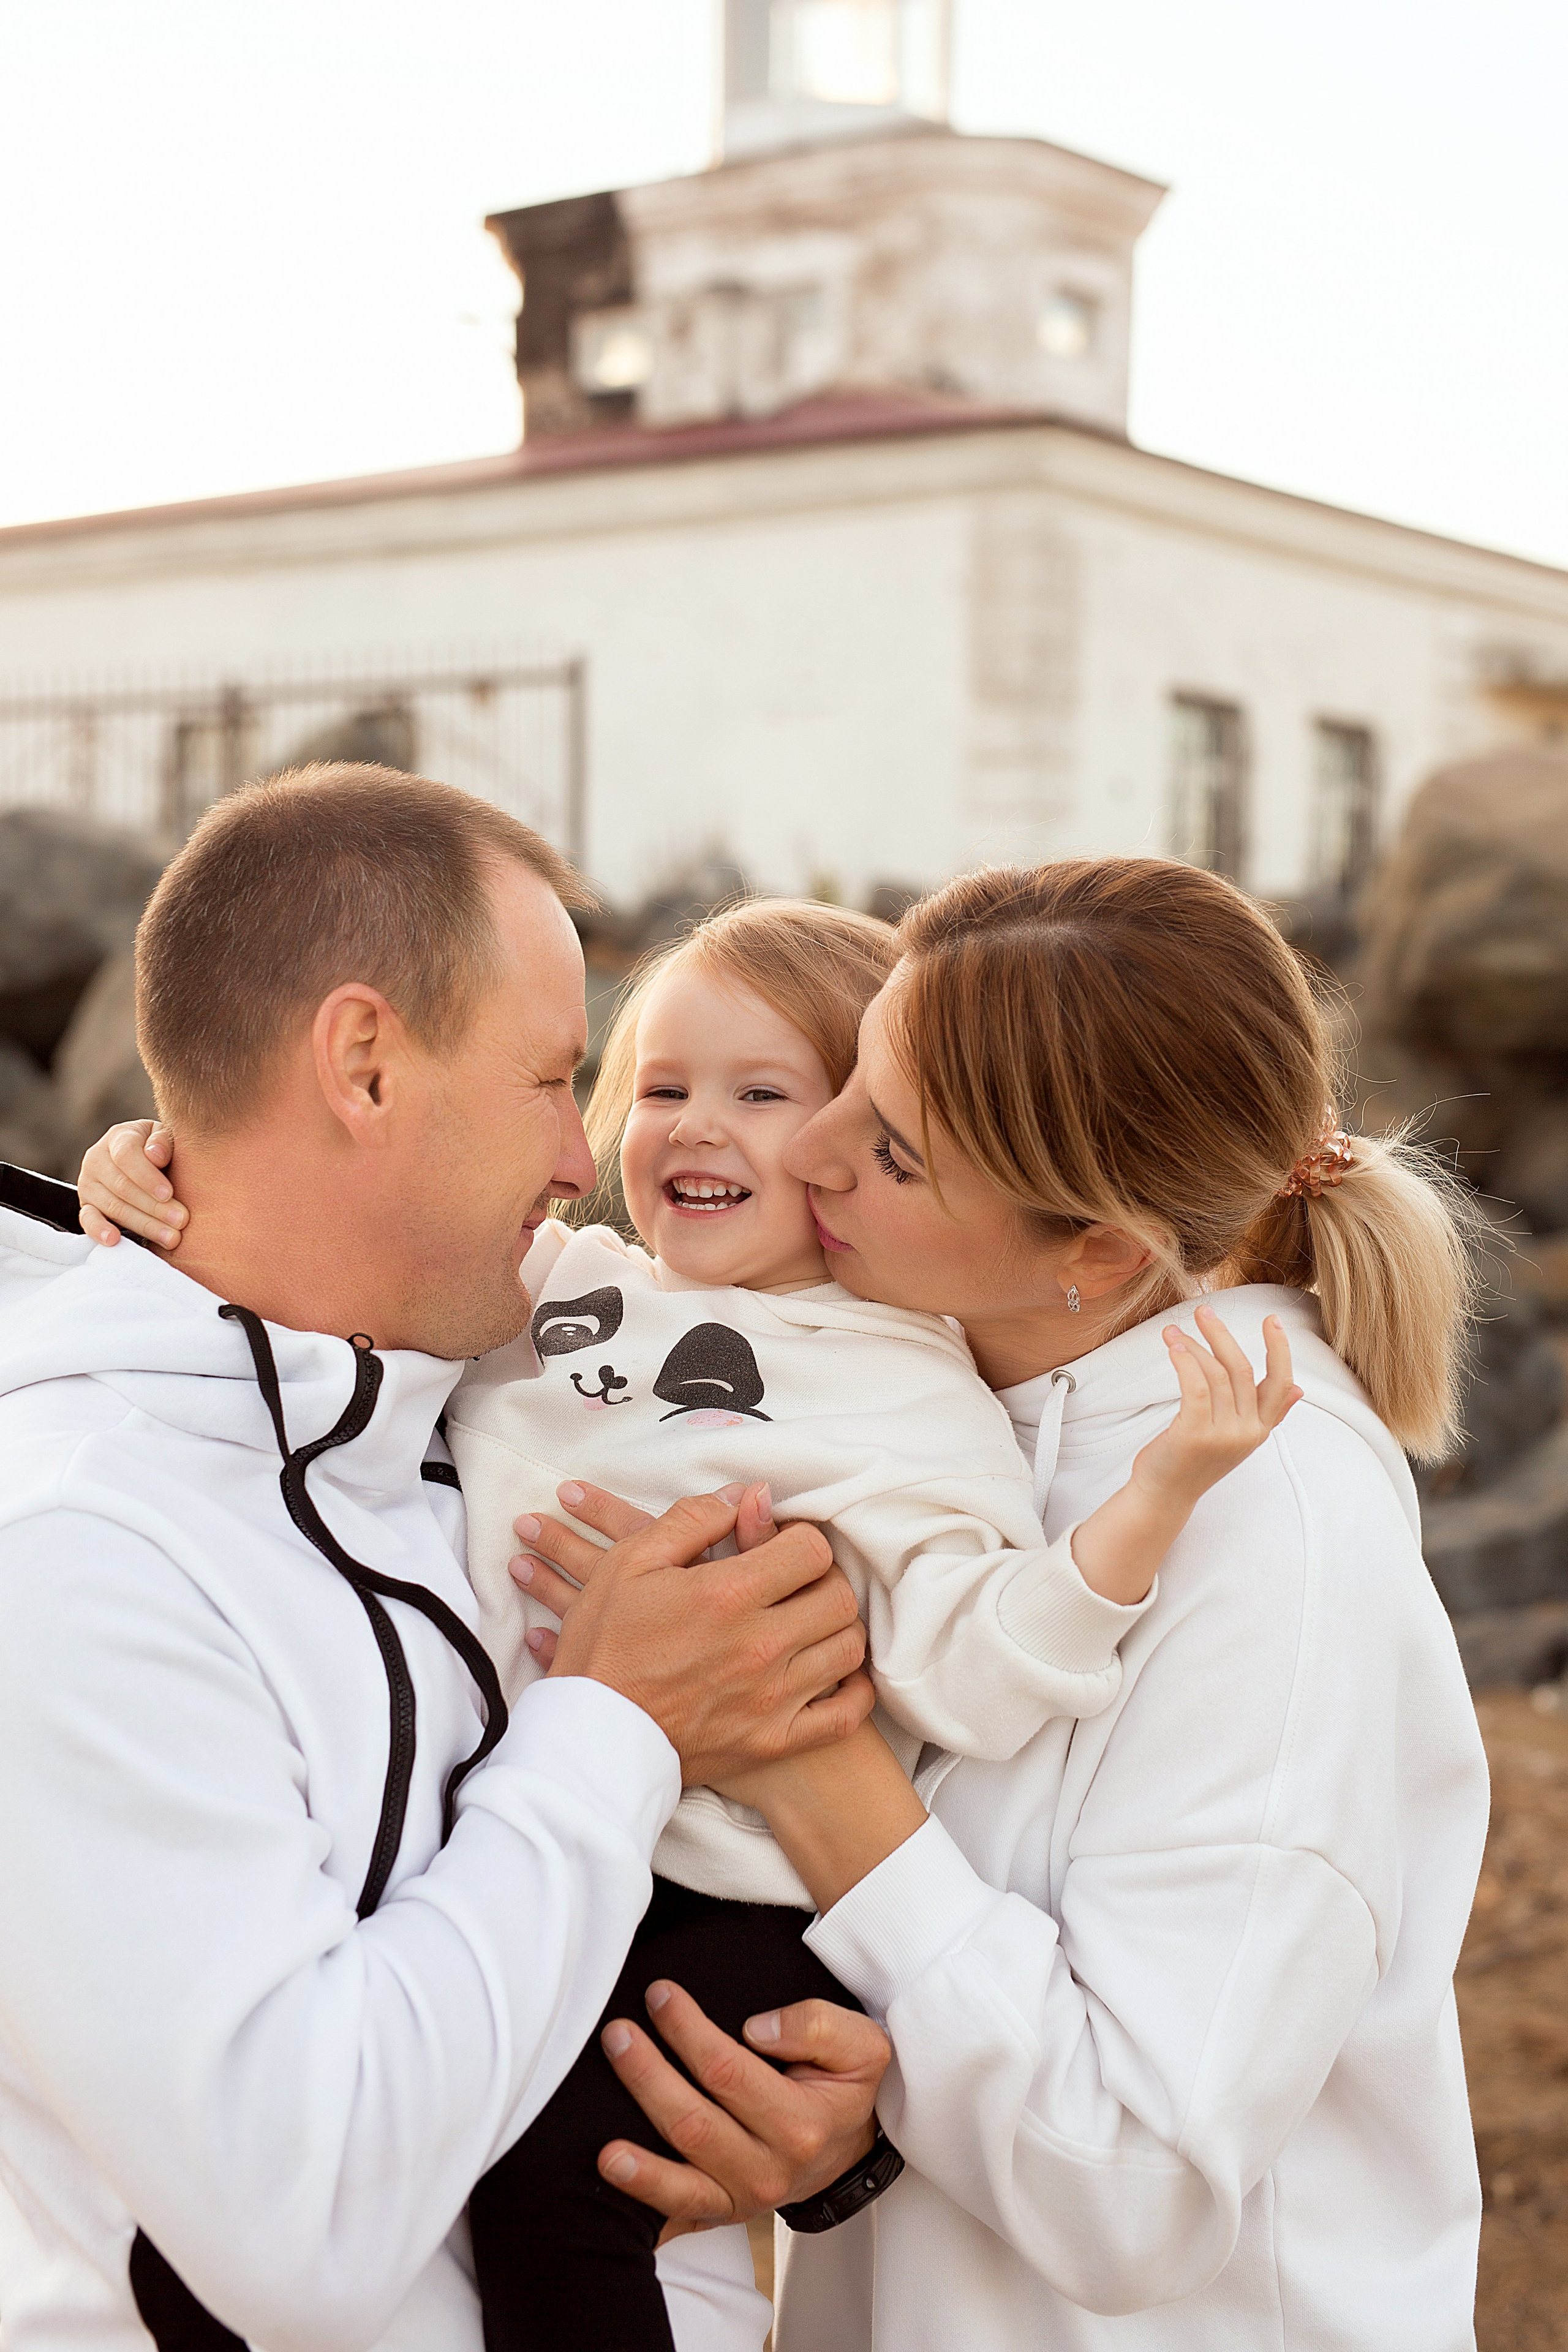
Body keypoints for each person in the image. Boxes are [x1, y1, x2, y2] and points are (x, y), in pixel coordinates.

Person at [83, 894, 1303, 2352]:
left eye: (765, 1094)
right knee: (232, 2227)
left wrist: (1147, 1509)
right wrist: (152, 1168)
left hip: (719, 1900)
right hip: (511, 1833)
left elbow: (978, 1663)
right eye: (657, 1087)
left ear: (859, 1143)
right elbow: (350, 1248)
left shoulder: (906, 1391)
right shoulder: (567, 1288)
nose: (697, 1126)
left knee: (560, 2206)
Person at [510, 859, 1493, 2351]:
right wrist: (849, 2132)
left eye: (893, 1148)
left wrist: (796, 1754)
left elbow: (1134, 2186)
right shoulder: (944, 1395)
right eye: (849, 1081)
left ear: (1093, 1254)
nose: (816, 1149)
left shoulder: (1269, 1543)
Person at [0, 763, 885, 2352]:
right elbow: (306, 2229)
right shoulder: (82, 1551)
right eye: (555, 1078)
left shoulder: (470, 1421)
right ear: (362, 1062)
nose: (583, 1156)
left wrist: (795, 2137)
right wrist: (612, 1723)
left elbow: (559, 1989)